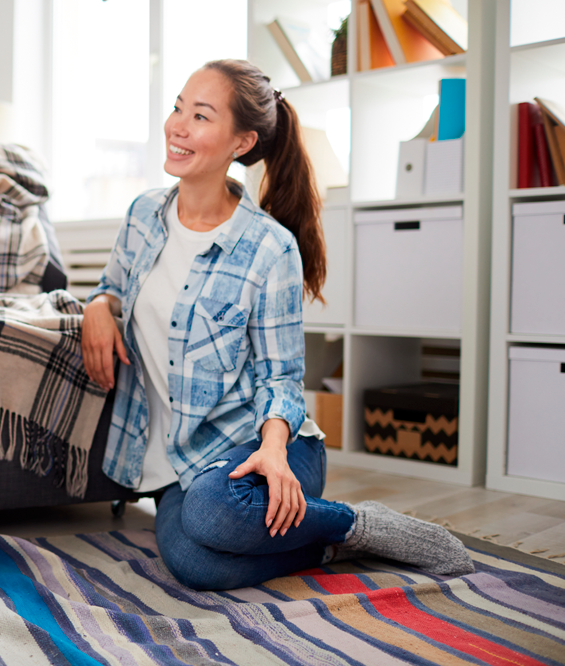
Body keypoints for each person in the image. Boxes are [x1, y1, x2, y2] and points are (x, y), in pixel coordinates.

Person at [81, 59, 473, 590]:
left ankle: (360, 524)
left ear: (241, 143)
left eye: (200, 116)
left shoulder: (269, 247)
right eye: (178, 107)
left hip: (271, 449)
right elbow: (111, 284)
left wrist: (272, 449)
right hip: (184, 460)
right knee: (197, 564)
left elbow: (281, 377)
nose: (177, 125)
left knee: (214, 515)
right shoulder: (142, 215)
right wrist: (98, 307)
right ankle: (331, 544)